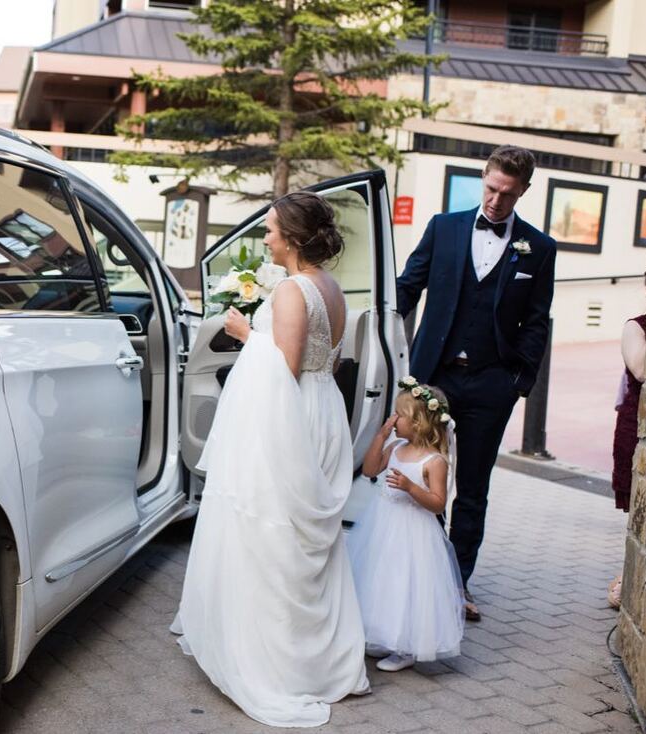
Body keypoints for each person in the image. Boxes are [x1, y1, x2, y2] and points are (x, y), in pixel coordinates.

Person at [171, 191, 369, 728]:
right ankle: (318, 656)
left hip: (293, 415)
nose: (265, 237)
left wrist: (244, 334)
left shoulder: (290, 291)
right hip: (324, 410)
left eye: (271, 229)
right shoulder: (332, 287)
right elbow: (324, 359)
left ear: (294, 237)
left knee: (275, 533)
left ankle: (277, 663)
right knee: (309, 539)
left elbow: (281, 367)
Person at [397, 145, 556, 622]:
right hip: (435, 378)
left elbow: (536, 320)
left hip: (491, 385)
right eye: (490, 188)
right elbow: (407, 288)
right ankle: (422, 578)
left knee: (472, 487)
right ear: (482, 177)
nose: (495, 201)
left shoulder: (539, 248)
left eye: (507, 194)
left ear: (523, 191)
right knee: (425, 475)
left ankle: (456, 583)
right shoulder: (443, 228)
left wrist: (517, 382)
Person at [347, 380, 465, 672]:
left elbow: (438, 503)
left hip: (413, 532)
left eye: (399, 415)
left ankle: (405, 646)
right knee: (380, 579)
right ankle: (381, 635)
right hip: (384, 524)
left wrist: (412, 488)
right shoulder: (397, 445)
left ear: (419, 423)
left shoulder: (434, 461)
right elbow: (372, 469)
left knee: (405, 584)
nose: (393, 419)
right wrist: (381, 436)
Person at [607, 269, 646, 607]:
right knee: (639, 508)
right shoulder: (636, 326)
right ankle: (628, 572)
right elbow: (641, 370)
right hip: (637, 428)